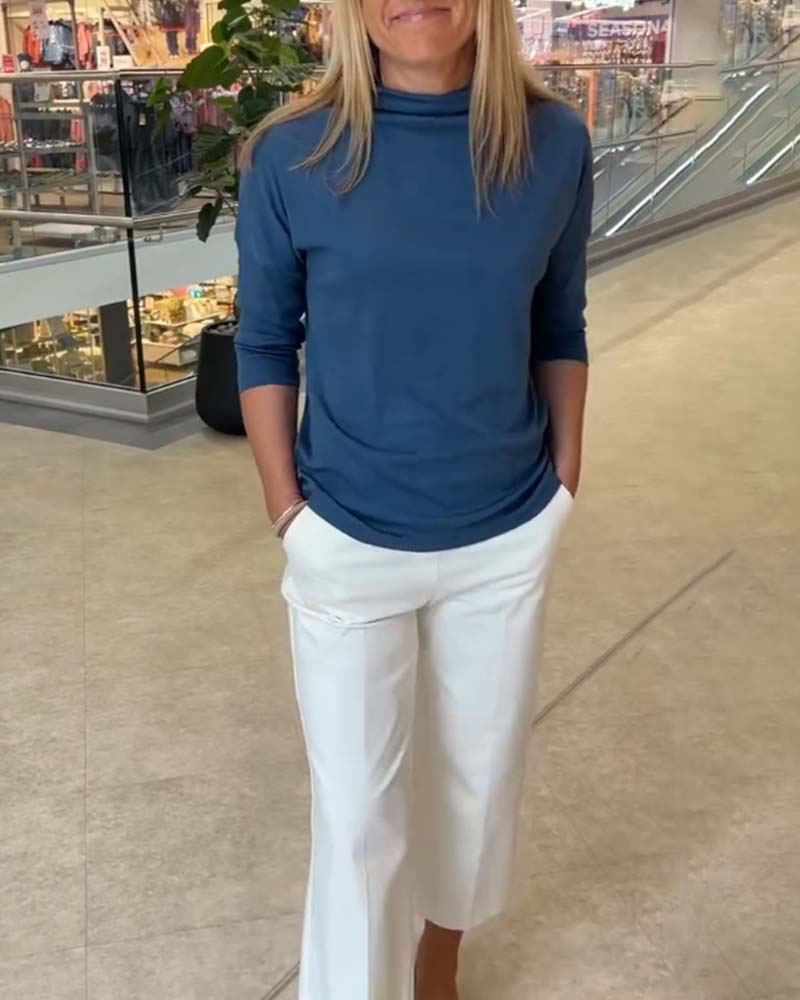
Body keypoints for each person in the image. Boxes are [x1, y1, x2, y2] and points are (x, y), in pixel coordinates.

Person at [234, 0, 593, 993]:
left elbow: (559, 322)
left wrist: (563, 482)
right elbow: (263, 340)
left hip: (505, 529)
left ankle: (441, 953)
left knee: (477, 779)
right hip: (346, 535)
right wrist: (286, 510)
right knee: (357, 814)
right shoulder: (292, 154)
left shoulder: (552, 143)